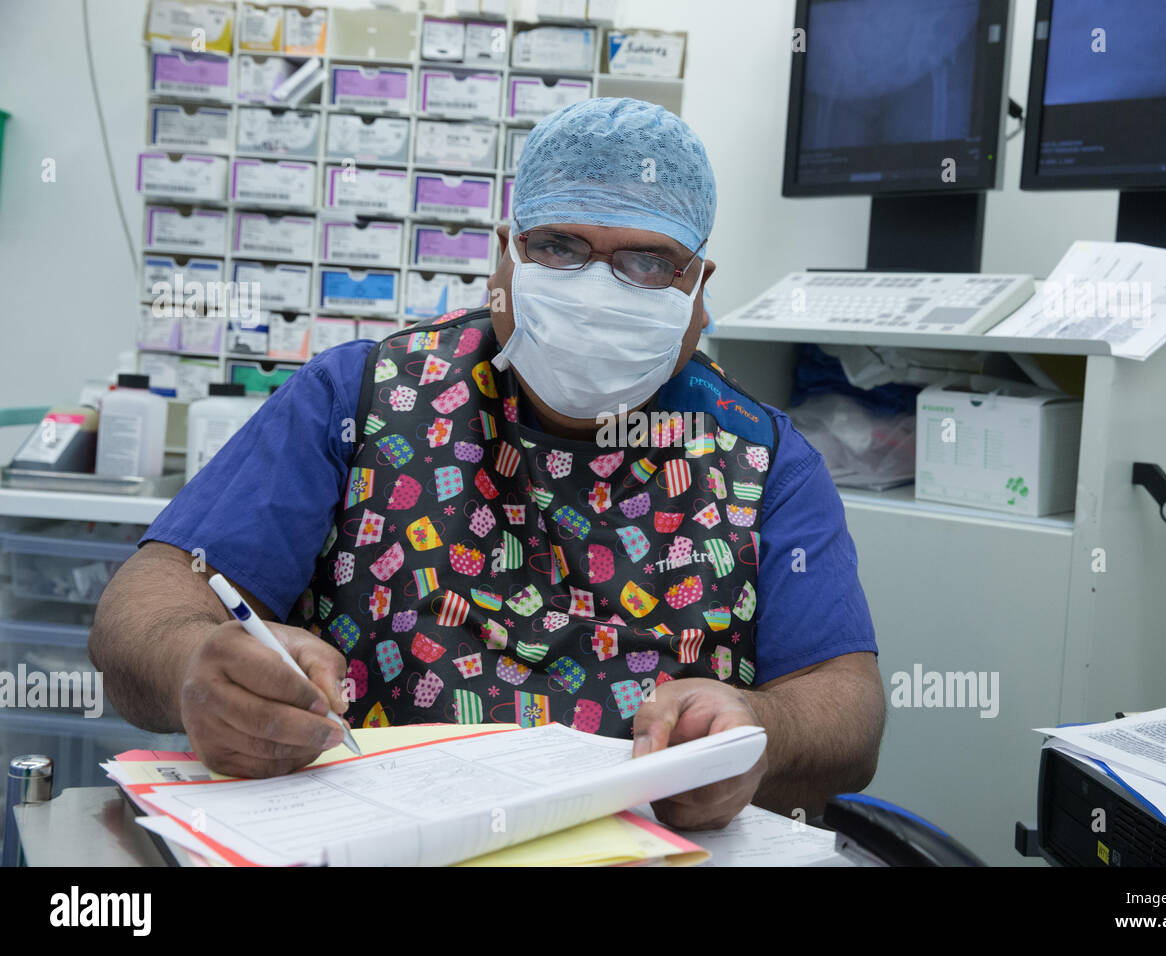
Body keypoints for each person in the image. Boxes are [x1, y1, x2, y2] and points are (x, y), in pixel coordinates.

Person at [90, 98, 885, 830]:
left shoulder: (762, 460)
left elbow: (846, 711)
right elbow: (151, 601)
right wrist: (200, 666)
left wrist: (760, 731)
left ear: (698, 286)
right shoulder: (360, 399)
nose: (596, 290)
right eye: (558, 247)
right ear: (504, 257)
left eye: (647, 262)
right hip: (373, 837)